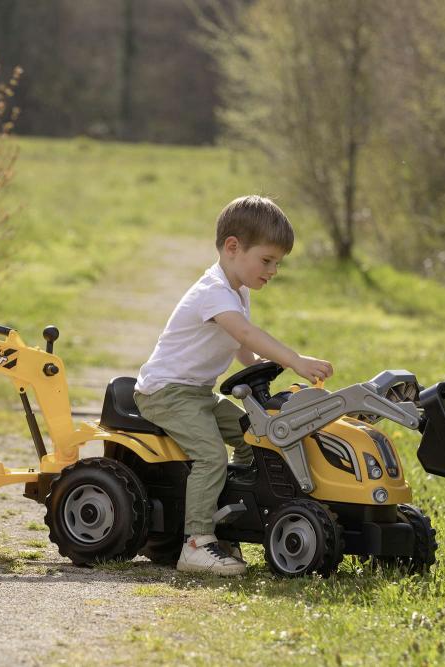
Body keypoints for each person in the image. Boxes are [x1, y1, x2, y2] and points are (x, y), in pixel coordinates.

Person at [134, 195, 333, 575]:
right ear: (233, 247)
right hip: (165, 393)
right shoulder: (213, 291)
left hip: (197, 394)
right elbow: (244, 332)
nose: (273, 270)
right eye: (267, 260)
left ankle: (228, 522)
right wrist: (294, 360)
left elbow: (239, 344)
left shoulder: (237, 291)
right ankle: (196, 543)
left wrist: (257, 367)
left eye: (278, 263)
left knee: (252, 439)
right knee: (210, 456)